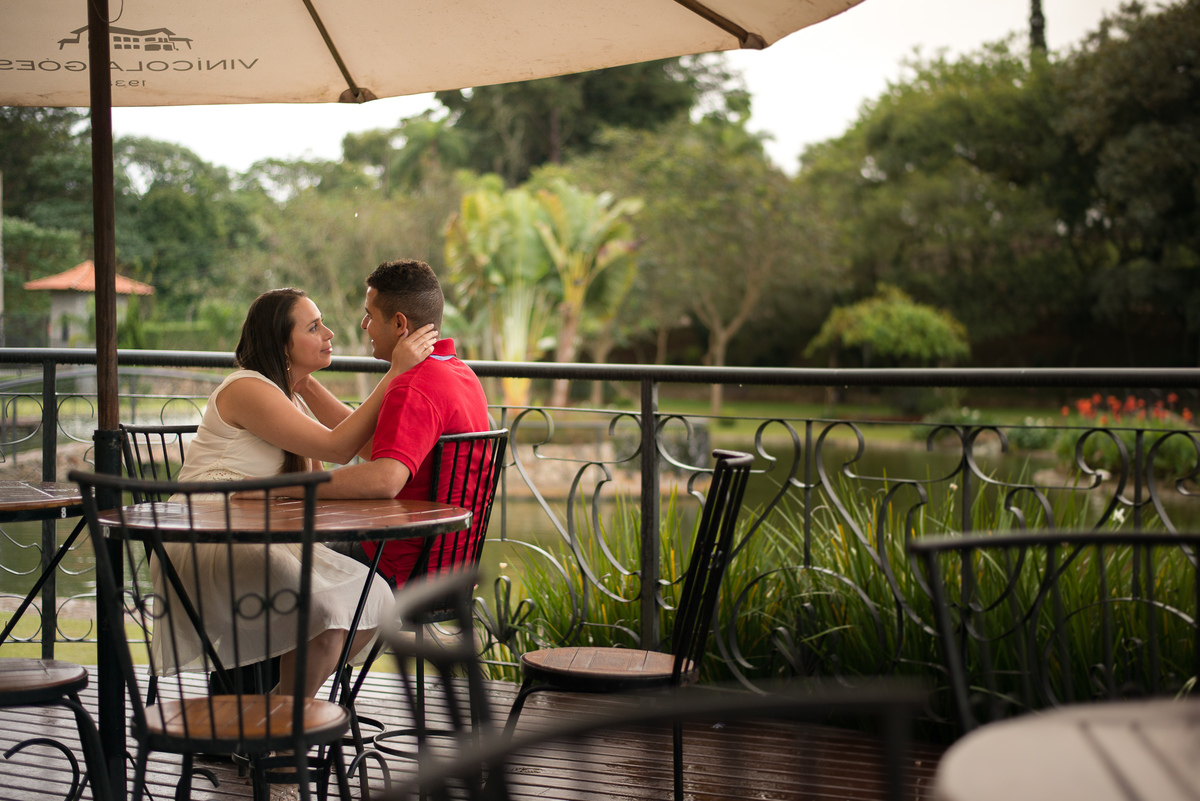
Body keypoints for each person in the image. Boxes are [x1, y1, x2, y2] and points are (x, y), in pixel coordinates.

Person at [152, 287, 439, 699]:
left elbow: (330, 477)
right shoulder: (247, 388)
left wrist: (304, 385)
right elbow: (339, 448)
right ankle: (281, 720)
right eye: (313, 327)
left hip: (267, 531)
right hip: (211, 531)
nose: (329, 333)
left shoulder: (289, 400)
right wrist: (395, 372)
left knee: (374, 599)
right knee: (326, 610)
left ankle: (277, 713)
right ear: (281, 343)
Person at [294, 259, 491, 585]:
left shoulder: (414, 385)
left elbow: (385, 480)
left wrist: (287, 488)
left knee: (286, 566)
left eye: (369, 315)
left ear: (399, 323)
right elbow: (376, 448)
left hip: (400, 566)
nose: (364, 324)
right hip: (452, 566)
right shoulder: (460, 374)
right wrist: (304, 385)